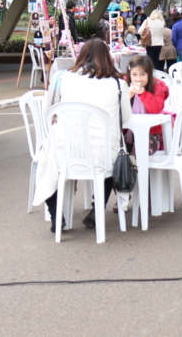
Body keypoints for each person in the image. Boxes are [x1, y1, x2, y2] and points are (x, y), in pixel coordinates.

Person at [38, 38, 132, 233]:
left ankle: (56, 215)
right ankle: (96, 211)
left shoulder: (65, 80)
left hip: (67, 151)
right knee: (111, 164)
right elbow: (126, 118)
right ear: (108, 58)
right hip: (102, 154)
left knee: (44, 164)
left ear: (81, 57)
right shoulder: (117, 84)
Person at [125, 55, 169, 153]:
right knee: (113, 145)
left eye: (143, 74)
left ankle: (142, 168)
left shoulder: (157, 86)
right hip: (128, 130)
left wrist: (143, 93)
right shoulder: (124, 85)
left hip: (152, 132)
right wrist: (126, 97)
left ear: (149, 74)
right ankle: (125, 168)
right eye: (134, 74)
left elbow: (156, 108)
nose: (138, 79)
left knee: (143, 148)